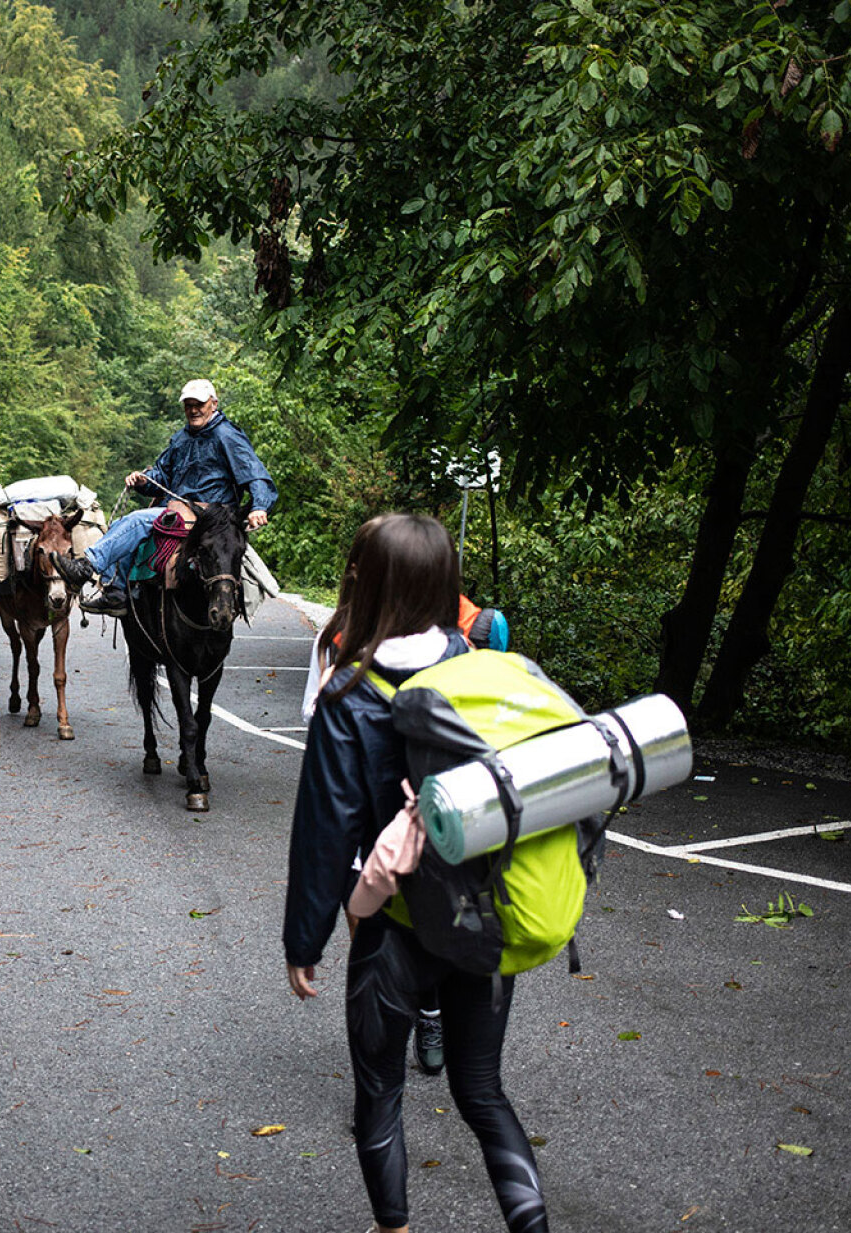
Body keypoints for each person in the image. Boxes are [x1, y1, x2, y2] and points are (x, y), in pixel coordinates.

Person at [285, 514, 550, 1233]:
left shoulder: (348, 692)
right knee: (483, 1092)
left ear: (368, 583)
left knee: (381, 1094)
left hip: (395, 928)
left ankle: (394, 1227)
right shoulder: (479, 669)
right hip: (482, 915)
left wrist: (304, 940)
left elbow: (325, 831)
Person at [54, 379, 275, 614]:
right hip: (180, 511)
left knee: (136, 521)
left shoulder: (227, 435)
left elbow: (256, 475)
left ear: (214, 404)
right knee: (120, 524)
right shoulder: (181, 439)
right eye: (188, 405)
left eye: (199, 404)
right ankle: (116, 591)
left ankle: (86, 567)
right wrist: (144, 480)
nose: (193, 410)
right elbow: (163, 477)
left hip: (213, 516)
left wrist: (259, 506)